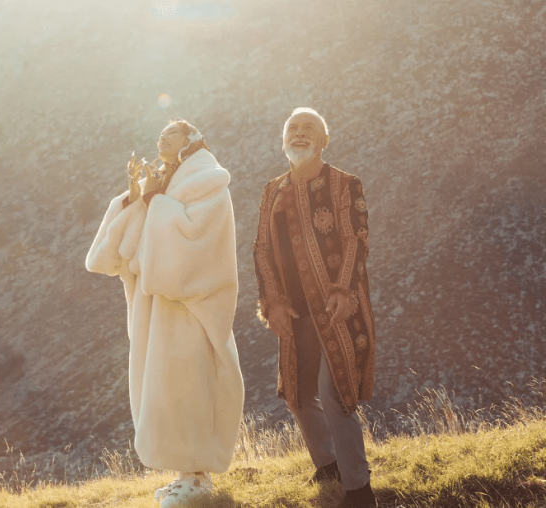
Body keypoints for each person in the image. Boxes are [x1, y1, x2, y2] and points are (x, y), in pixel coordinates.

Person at [86, 120, 244, 507]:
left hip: (191, 308)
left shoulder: (208, 181)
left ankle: (199, 477)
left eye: (170, 133)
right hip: (158, 312)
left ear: (191, 140)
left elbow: (197, 241)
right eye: (160, 134)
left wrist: (154, 201)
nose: (161, 138)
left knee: (191, 384)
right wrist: (134, 195)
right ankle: (184, 474)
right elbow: (111, 254)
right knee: (165, 389)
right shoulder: (163, 183)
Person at [253, 107, 377, 508]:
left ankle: (359, 490)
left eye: (310, 128)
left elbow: (356, 239)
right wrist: (272, 302)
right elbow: (262, 249)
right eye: (292, 127)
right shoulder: (272, 190)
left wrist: (343, 290)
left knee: (335, 392)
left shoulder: (345, 184)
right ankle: (328, 465)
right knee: (298, 393)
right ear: (283, 139)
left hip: (338, 310)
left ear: (325, 141)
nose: (300, 133)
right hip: (295, 312)